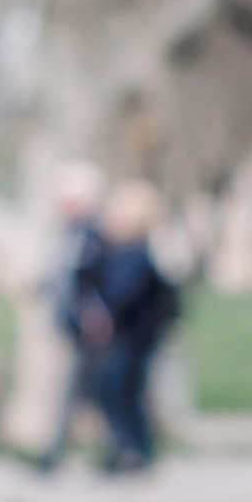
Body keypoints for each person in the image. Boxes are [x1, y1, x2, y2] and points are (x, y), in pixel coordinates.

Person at [88, 180, 182, 473]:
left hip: (136, 333)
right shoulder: (112, 249)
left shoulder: (144, 250)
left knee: (122, 389)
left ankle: (133, 448)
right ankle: (127, 447)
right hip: (124, 332)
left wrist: (105, 312)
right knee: (117, 390)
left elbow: (126, 292)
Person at [31, 163, 107, 474]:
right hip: (71, 326)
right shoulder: (65, 234)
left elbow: (90, 282)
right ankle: (55, 453)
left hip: (90, 329)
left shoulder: (95, 236)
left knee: (87, 392)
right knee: (74, 392)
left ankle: (57, 454)